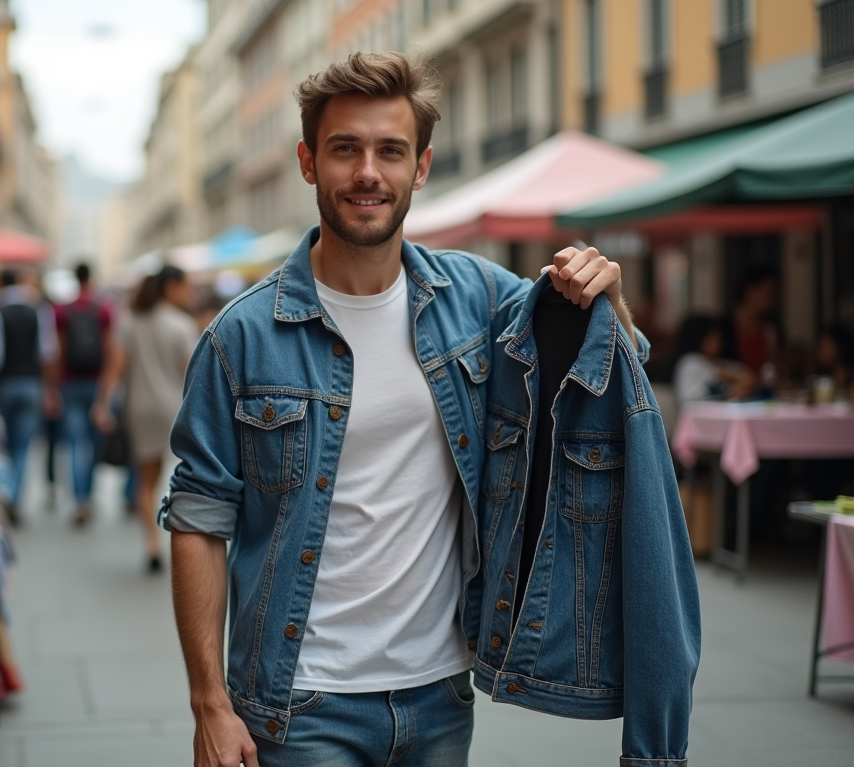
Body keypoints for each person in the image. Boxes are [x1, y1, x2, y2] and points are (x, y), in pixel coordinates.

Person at [162, 51, 640, 767]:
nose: (367, 173)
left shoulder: (480, 298)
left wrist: (610, 297)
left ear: (420, 166)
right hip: (299, 705)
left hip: (440, 695)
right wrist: (210, 705)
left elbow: (604, 371)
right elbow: (199, 520)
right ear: (307, 162)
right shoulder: (241, 337)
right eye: (344, 149)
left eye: (390, 151)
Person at [93, 266, 199, 573]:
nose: (188, 293)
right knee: (185, 478)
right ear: (170, 287)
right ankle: (182, 541)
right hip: (175, 408)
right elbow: (191, 372)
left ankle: (152, 545)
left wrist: (102, 403)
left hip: (137, 408)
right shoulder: (181, 324)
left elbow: (116, 365)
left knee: (146, 481)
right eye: (184, 287)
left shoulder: (129, 321)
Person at [0, 269, 58, 517]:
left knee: (5, 445)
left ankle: (7, 495)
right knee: (23, 446)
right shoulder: (39, 310)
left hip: (5, 385)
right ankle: (15, 497)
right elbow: (47, 353)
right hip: (32, 385)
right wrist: (50, 389)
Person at [55, 263, 112, 526]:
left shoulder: (62, 310)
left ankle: (80, 500)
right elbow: (111, 349)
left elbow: (58, 349)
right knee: (94, 444)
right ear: (92, 277)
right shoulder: (103, 308)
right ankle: (87, 493)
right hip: (97, 383)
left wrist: (53, 385)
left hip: (70, 382)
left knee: (76, 444)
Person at [672, 315, 756, 403]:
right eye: (711, 337)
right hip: (701, 415)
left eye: (718, 337)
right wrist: (729, 391)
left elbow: (750, 378)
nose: (717, 342)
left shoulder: (723, 363)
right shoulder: (690, 362)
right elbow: (691, 399)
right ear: (698, 338)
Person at [723, 267, 779, 378]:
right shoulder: (724, 328)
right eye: (768, 293)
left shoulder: (772, 328)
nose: (772, 299)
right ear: (749, 291)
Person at [815, 323, 854, 391]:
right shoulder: (821, 375)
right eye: (820, 345)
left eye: (826, 346)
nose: (821, 350)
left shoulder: (850, 376)